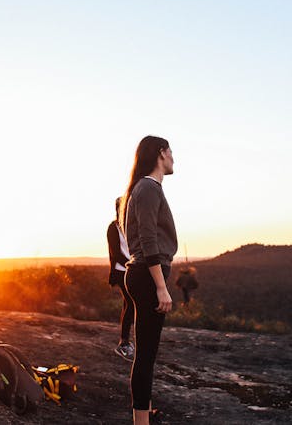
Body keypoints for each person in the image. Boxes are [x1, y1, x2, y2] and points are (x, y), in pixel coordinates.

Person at [121, 135, 177, 425]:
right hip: (147, 275)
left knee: (147, 351)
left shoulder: (145, 188)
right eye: (171, 151)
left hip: (144, 273)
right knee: (145, 354)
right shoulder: (148, 187)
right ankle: (141, 421)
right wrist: (161, 286)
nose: (174, 157)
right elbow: (148, 239)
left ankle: (146, 413)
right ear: (160, 153)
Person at [107, 197, 135, 360]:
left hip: (133, 269)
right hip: (121, 271)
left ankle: (127, 341)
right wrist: (133, 264)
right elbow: (116, 253)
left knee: (131, 303)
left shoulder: (132, 225)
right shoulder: (113, 228)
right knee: (130, 302)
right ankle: (123, 342)